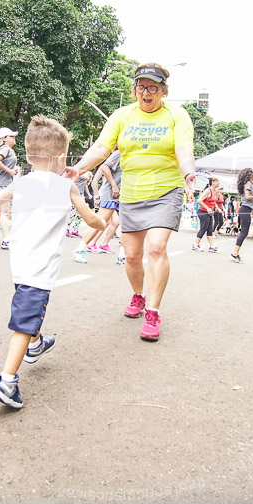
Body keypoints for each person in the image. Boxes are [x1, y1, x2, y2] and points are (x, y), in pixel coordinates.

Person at [0, 116, 103, 409]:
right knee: (24, 322)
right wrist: (103, 221)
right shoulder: (66, 188)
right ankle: (6, 381)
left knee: (28, 310)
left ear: (27, 154)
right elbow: (91, 220)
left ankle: (36, 344)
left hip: (20, 266)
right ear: (61, 157)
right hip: (40, 269)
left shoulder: (22, 184)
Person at [66, 63, 196, 342]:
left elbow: (184, 148)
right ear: (134, 88)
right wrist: (78, 167)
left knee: (157, 248)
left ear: (163, 90)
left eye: (152, 87)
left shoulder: (177, 115)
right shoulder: (123, 115)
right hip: (132, 192)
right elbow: (102, 147)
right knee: (133, 256)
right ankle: (138, 295)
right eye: (141, 86)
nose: (145, 92)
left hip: (166, 190)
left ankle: (153, 310)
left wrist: (188, 172)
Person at [76, 149, 122, 262]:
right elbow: (104, 167)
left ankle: (123, 255)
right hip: (111, 193)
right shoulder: (119, 153)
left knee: (126, 224)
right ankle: (80, 249)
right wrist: (113, 186)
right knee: (100, 223)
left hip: (125, 194)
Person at [232, 168, 253, 263]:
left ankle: (236, 253)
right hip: (245, 209)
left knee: (244, 232)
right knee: (244, 232)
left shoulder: (250, 184)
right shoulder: (248, 183)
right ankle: (235, 253)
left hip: (247, 209)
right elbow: (247, 196)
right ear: (250, 174)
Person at [193, 177, 223, 252]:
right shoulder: (207, 191)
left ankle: (212, 247)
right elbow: (199, 200)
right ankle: (195, 245)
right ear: (212, 182)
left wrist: (217, 208)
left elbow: (213, 202)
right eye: (217, 181)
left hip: (209, 213)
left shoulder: (215, 191)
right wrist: (207, 208)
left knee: (210, 229)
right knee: (204, 228)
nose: (218, 183)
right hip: (203, 212)